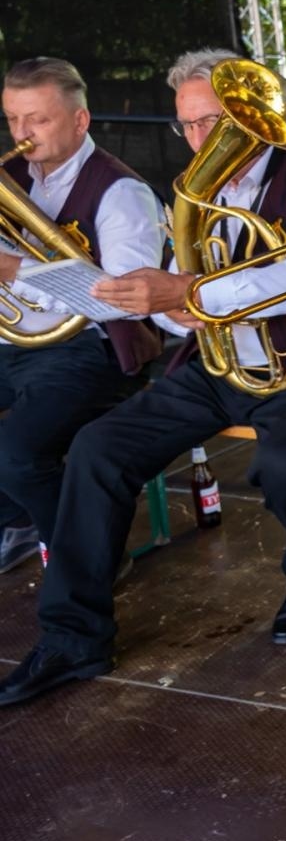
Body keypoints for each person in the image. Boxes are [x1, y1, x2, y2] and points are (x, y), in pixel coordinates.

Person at [0, 48, 286, 708]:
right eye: (189, 127)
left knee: (285, 462)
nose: (201, 141)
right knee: (98, 447)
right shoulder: (194, 198)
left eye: (213, 122)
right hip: (218, 363)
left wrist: (190, 289)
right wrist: (170, 308)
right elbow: (177, 316)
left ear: (252, 114)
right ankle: (73, 636)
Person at [0, 57, 164, 574]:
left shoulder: (122, 194)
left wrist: (14, 269)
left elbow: (119, 300)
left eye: (38, 120)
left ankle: (91, 563)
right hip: (15, 343)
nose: (22, 135)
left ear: (80, 120)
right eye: (12, 120)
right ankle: (17, 520)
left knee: (16, 455)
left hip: (90, 351)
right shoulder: (11, 176)